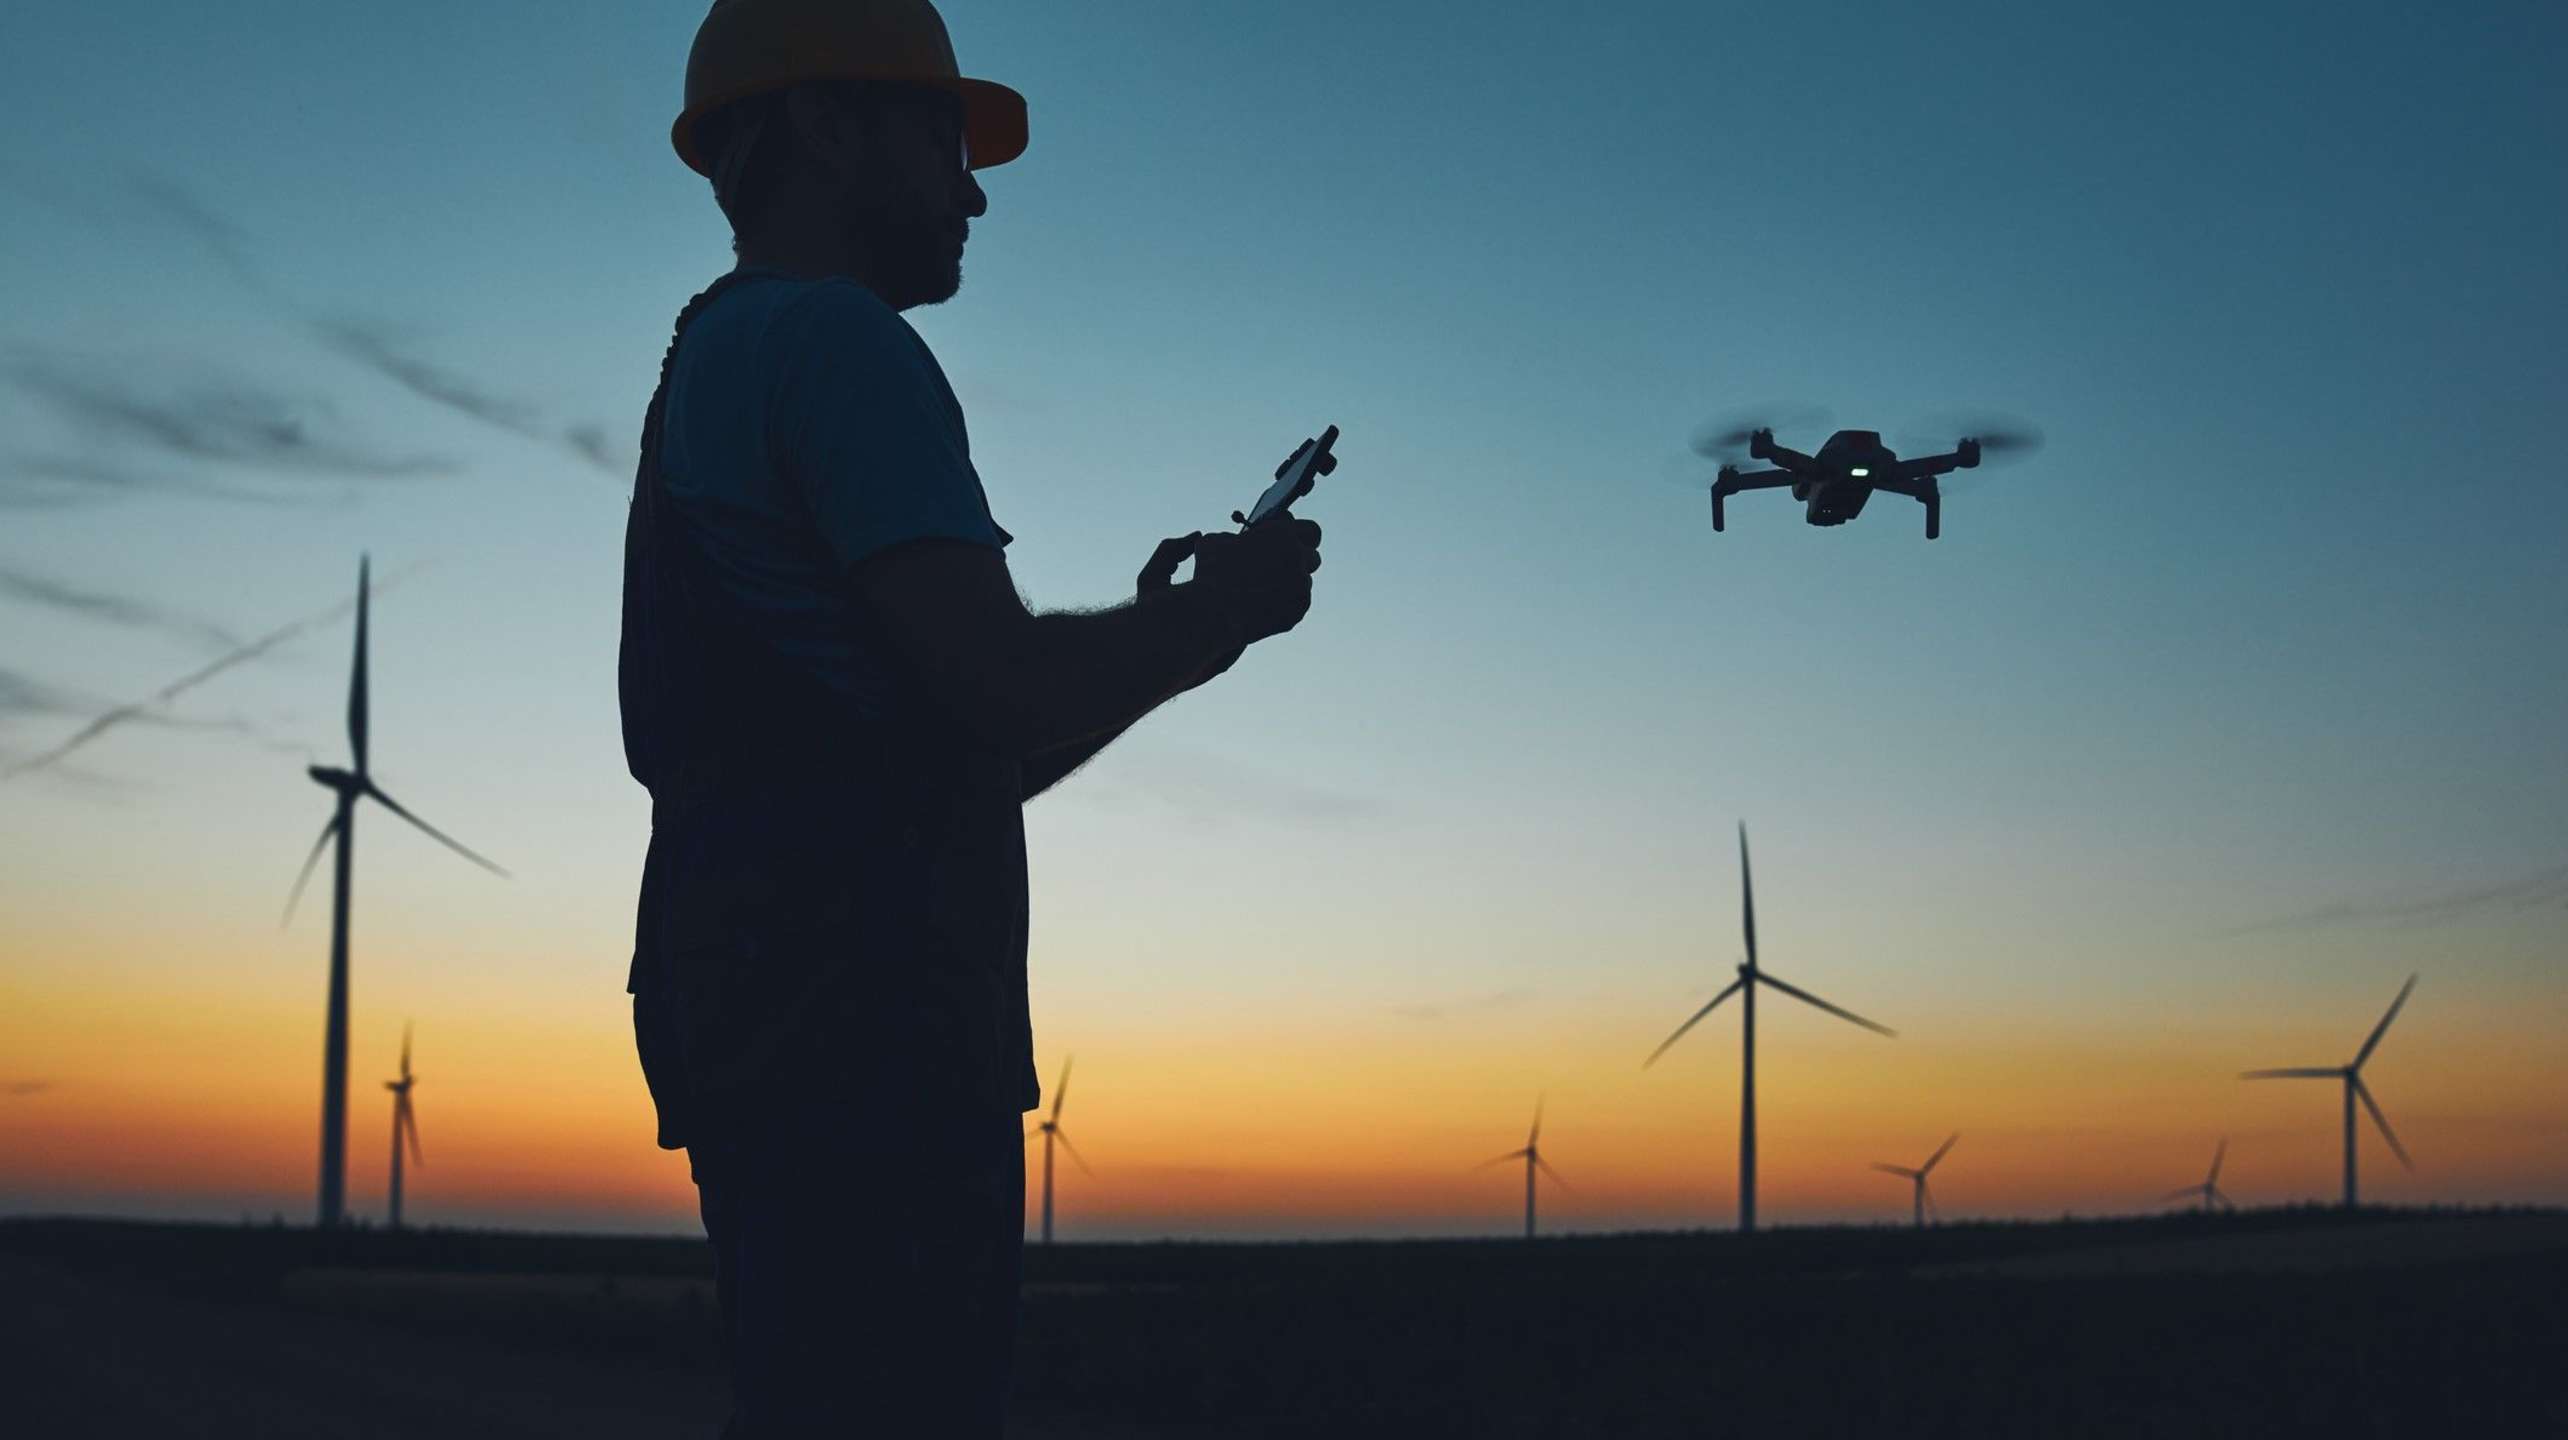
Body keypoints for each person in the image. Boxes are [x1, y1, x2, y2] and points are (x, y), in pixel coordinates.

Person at [619, 1, 1327, 1432]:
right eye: (943, 137)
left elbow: (949, 751)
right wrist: (1215, 615)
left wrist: (1176, 643)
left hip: (764, 1018)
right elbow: (999, 691)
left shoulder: (712, 353)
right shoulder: (839, 344)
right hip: (868, 1044)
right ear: (825, 128)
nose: (975, 187)